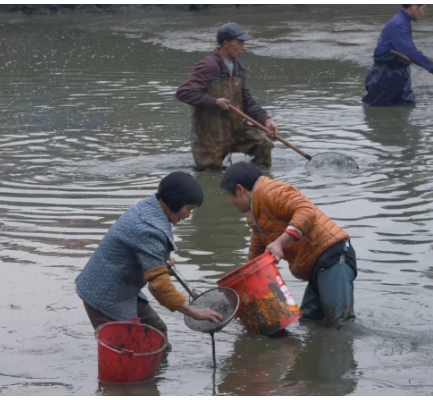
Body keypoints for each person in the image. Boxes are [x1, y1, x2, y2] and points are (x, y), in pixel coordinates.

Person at [76, 172, 223, 343]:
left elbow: (143, 252)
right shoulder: (148, 228)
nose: (188, 215)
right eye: (188, 208)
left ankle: (158, 369)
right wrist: (192, 311)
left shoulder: (148, 207)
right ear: (175, 200)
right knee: (126, 348)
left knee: (157, 332)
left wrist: (158, 261)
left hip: (124, 289)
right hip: (104, 294)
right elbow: (159, 285)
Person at [221, 162, 357, 328]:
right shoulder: (257, 216)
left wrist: (281, 241)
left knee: (341, 324)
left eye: (229, 195)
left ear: (239, 190)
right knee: (309, 322)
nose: (229, 201)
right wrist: (238, 290)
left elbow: (306, 211)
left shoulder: (271, 190)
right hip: (317, 265)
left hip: (333, 256)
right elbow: (254, 260)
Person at [176, 23, 278, 170]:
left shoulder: (239, 67)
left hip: (235, 131)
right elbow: (183, 92)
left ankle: (255, 183)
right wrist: (214, 102)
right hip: (210, 138)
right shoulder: (208, 66)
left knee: (264, 143)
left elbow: (247, 102)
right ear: (226, 44)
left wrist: (266, 120)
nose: (243, 47)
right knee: (211, 173)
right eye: (240, 43)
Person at [363, 4, 433, 107]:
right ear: (414, 6)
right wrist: (431, 66)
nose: (423, 13)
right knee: (376, 112)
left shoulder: (403, 21)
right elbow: (409, 51)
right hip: (385, 75)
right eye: (422, 9)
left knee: (407, 107)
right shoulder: (399, 24)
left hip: (400, 72)